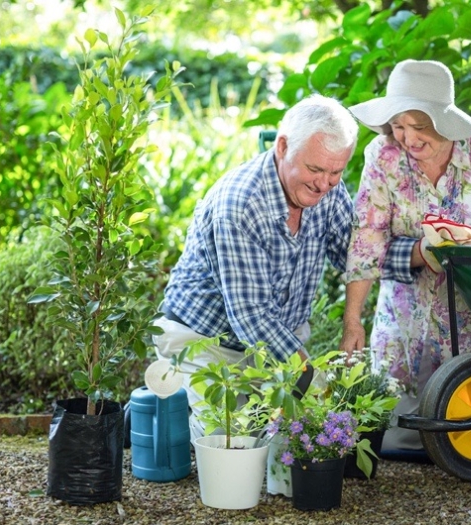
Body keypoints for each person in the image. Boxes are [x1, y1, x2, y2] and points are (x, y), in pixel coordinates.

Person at [338, 59, 471, 453]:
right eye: (398, 125)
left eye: (419, 126)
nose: (407, 138)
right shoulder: (382, 155)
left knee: (468, 439)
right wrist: (352, 320)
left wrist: (470, 248)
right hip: (402, 322)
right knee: (395, 442)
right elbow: (368, 237)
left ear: (445, 121)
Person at [153, 94, 358, 440]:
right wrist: (310, 377)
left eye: (336, 172)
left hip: (276, 348)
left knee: (300, 442)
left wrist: (420, 252)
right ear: (282, 147)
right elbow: (252, 316)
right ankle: (165, 405)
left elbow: (355, 253)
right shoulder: (241, 204)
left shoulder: (328, 192)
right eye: (315, 169)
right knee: (232, 447)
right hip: (205, 344)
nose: (325, 184)